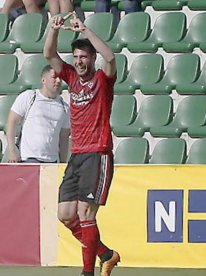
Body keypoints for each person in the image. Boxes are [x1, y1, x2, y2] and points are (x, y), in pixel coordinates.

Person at [44, 13, 120, 276]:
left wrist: (85, 30)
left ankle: (88, 272)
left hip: (97, 154)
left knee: (86, 214)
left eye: (83, 57)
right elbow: (49, 55)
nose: (78, 61)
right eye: (76, 57)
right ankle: (106, 255)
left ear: (92, 58)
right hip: (77, 155)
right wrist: (53, 30)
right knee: (66, 215)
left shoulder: (102, 79)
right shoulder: (71, 78)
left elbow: (111, 58)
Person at [6, 65, 70, 163]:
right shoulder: (29, 97)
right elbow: (11, 122)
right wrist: (12, 151)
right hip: (29, 159)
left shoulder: (64, 107)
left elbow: (64, 138)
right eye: (54, 77)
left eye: (60, 78)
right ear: (43, 80)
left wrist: (63, 163)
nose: (58, 81)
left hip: (51, 162)